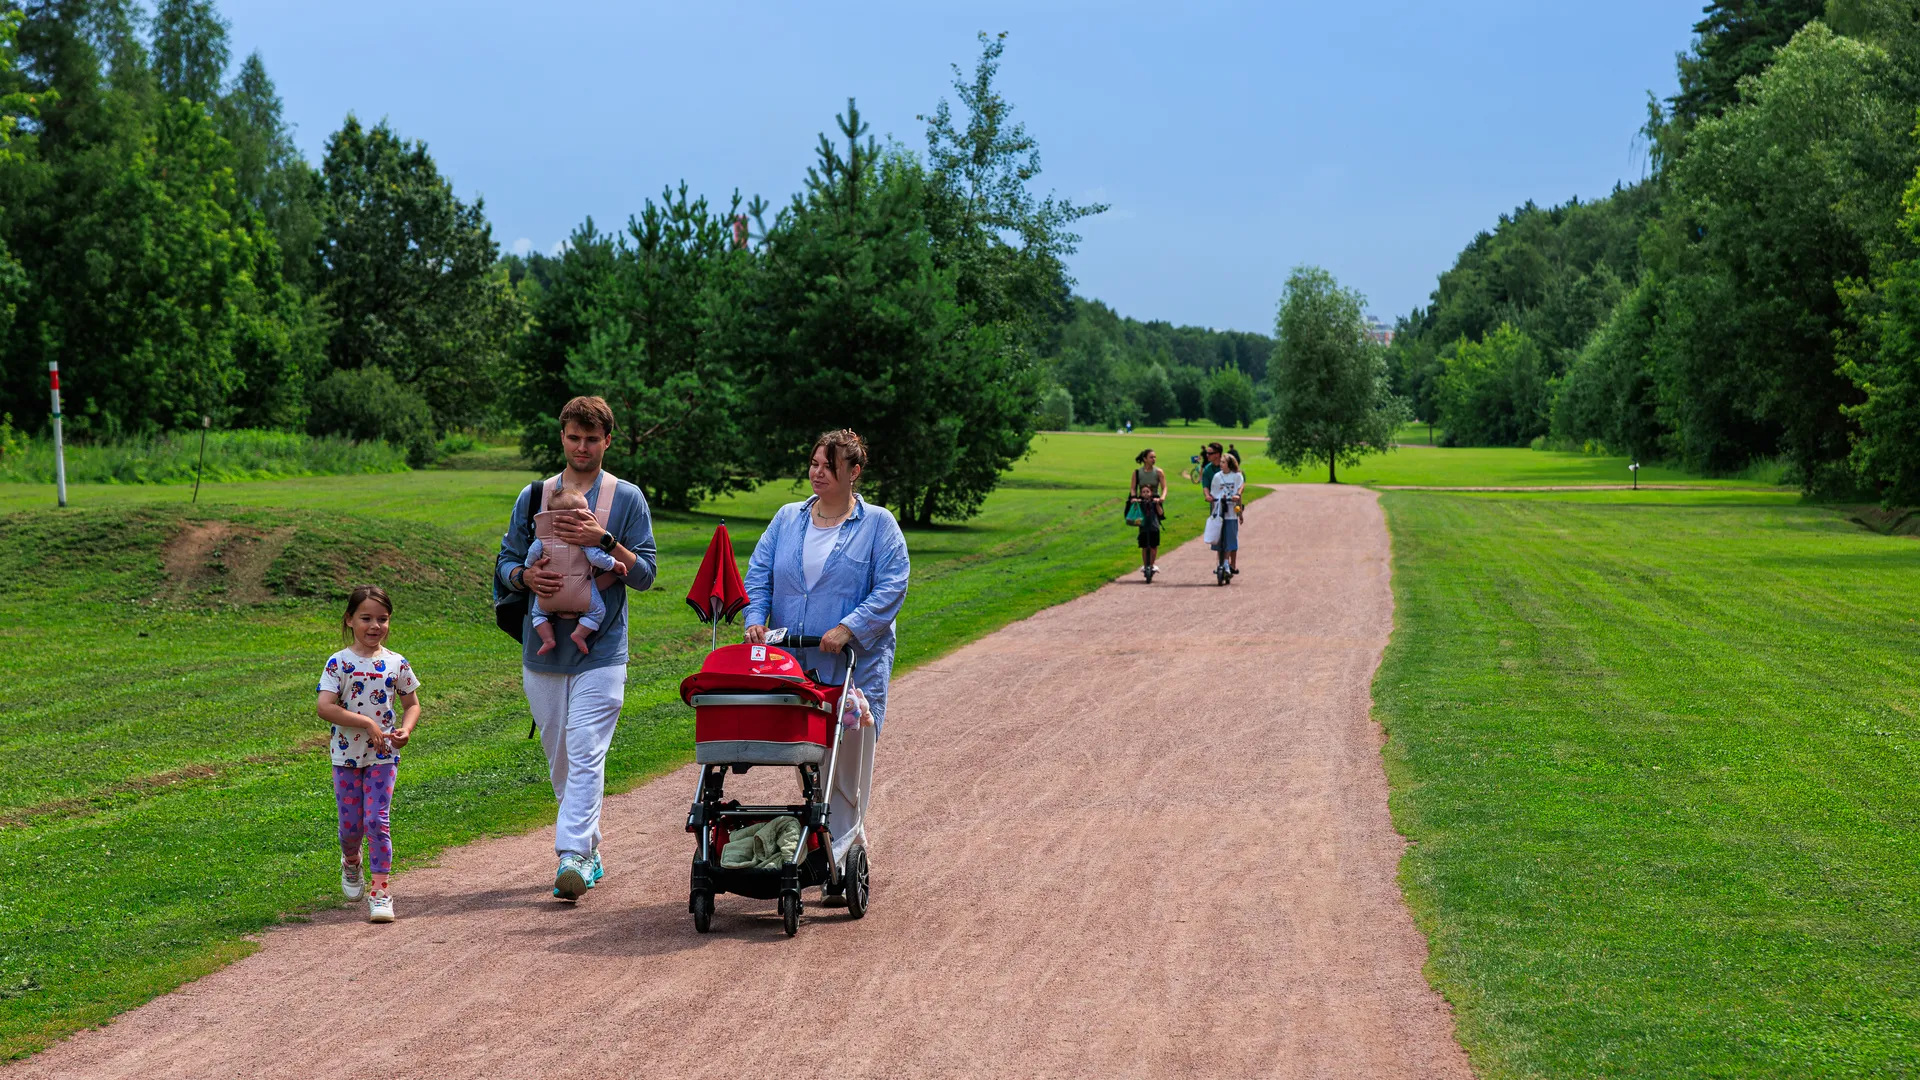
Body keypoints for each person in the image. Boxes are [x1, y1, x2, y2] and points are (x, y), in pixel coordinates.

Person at [495, 396, 658, 901]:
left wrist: (603, 540)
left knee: (585, 748)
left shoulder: (627, 498)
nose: (581, 447)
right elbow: (504, 562)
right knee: (561, 758)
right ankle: (589, 847)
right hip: (542, 648)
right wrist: (525, 577)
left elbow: (646, 574)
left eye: (591, 439)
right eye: (573, 437)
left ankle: (572, 855)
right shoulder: (534, 495)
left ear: (607, 441)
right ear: (562, 437)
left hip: (602, 648)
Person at [742, 430, 909, 901]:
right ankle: (836, 851)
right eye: (814, 463)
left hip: (855, 665)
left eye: (828, 466)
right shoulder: (787, 518)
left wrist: (848, 627)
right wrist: (756, 619)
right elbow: (759, 573)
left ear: (853, 472)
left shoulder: (878, 525)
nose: (817, 473)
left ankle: (841, 852)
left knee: (846, 758)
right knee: (811, 760)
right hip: (795, 665)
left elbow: (893, 585)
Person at [315, 585, 422, 923]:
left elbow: (412, 704)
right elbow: (324, 707)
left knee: (376, 821)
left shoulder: (396, 663)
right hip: (345, 756)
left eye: (382, 619)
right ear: (349, 620)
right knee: (351, 827)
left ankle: (380, 893)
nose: (375, 626)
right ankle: (351, 861)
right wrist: (366, 723)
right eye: (366, 618)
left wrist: (406, 730)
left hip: (383, 755)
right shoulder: (338, 663)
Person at [526, 488, 631, 657]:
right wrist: (614, 564)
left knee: (538, 613)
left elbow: (531, 557)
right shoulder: (584, 540)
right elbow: (597, 558)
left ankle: (548, 639)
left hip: (550, 592)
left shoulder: (543, 540)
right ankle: (579, 634)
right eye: (585, 511)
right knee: (597, 612)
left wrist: (529, 567)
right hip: (582, 594)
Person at [1130, 447, 1166, 578]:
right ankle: (1146, 565)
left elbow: (1164, 487)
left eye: (1155, 457)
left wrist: (1162, 498)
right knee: (1144, 533)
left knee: (1154, 531)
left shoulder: (1159, 472)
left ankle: (1152, 564)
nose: (1154, 459)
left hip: (1155, 502)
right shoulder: (1137, 473)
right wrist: (1134, 498)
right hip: (1142, 504)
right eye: (1151, 457)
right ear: (1145, 459)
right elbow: (1133, 488)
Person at [1210, 452, 1247, 576]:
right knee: (1219, 539)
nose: (1221, 464)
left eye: (1223, 462)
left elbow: (1239, 493)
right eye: (1220, 462)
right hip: (1219, 510)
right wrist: (1213, 513)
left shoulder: (1236, 476)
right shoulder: (1217, 477)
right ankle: (1221, 563)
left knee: (1230, 538)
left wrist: (1240, 513)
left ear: (1230, 464)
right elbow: (1214, 494)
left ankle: (1227, 563)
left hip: (1231, 511)